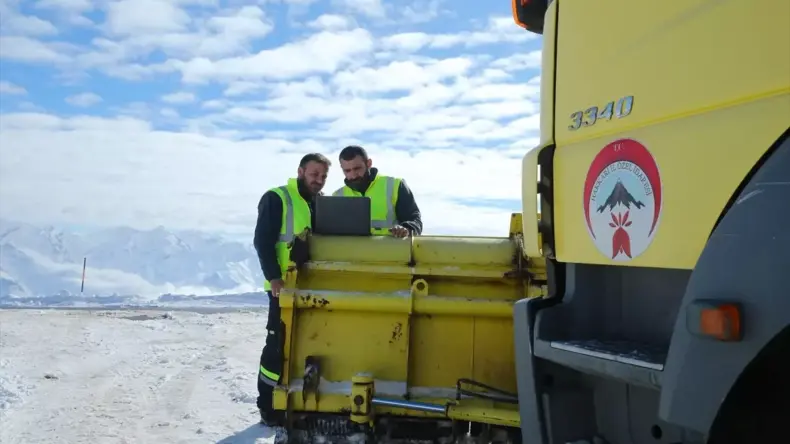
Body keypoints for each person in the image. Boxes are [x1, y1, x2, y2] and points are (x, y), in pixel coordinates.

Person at [252, 152, 331, 426]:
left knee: (305, 347)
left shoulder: (321, 204)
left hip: (312, 290)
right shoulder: (278, 198)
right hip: (282, 289)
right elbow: (262, 241)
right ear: (300, 171)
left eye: (323, 176)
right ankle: (267, 407)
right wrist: (274, 278)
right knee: (277, 346)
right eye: (314, 174)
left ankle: (297, 402)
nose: (318, 180)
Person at [333, 145, 423, 237]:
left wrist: (405, 229)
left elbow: (415, 221)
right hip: (352, 251)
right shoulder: (337, 196)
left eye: (357, 168)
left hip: (392, 250)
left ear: (369, 163)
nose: (353, 175)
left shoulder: (395, 185)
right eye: (347, 171)